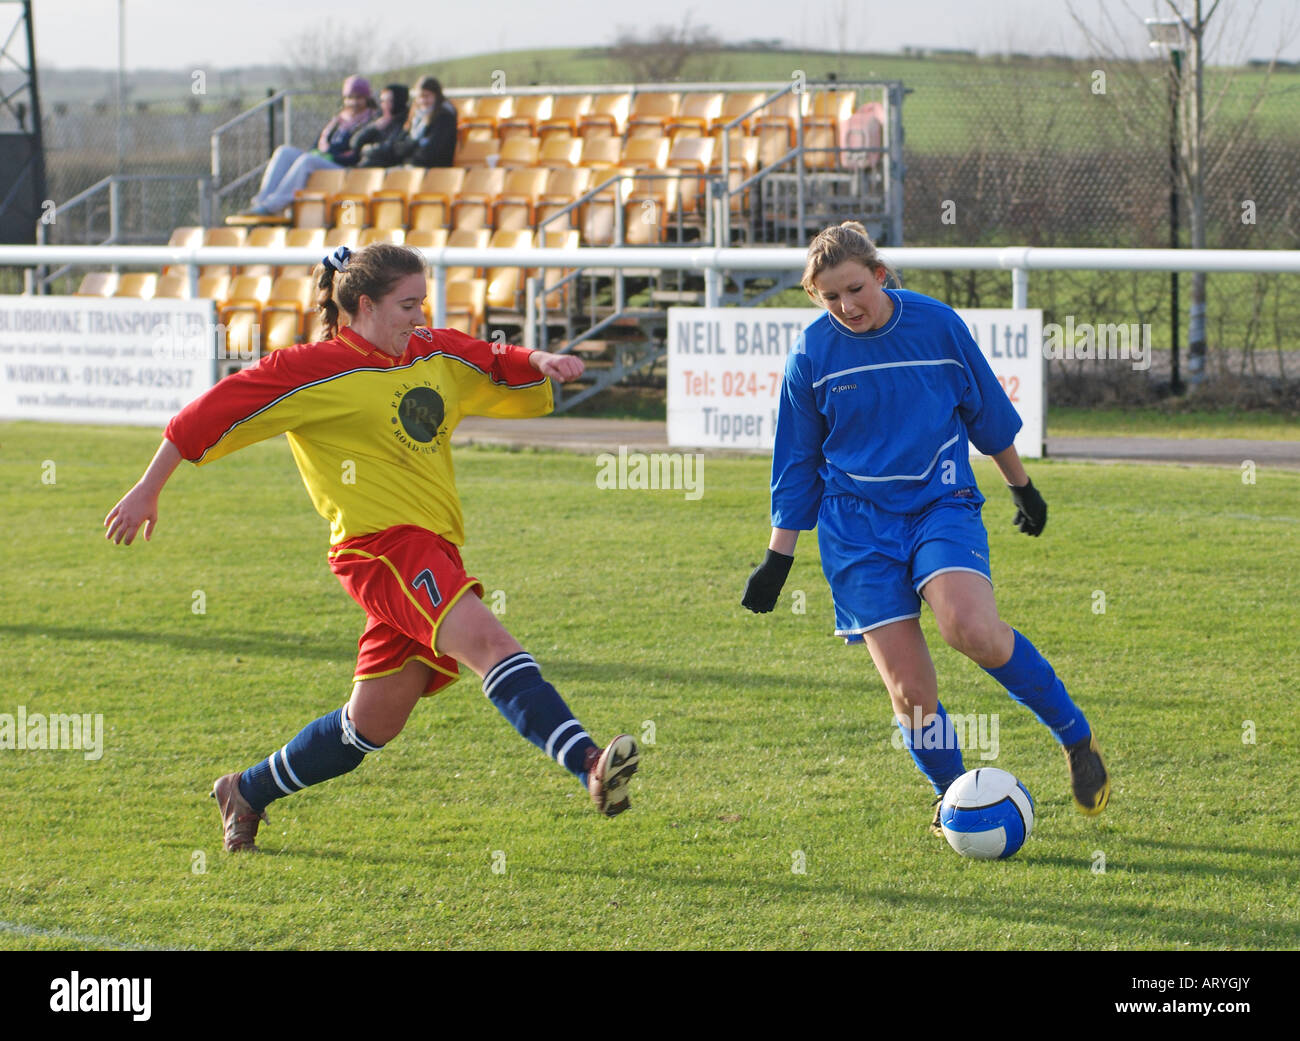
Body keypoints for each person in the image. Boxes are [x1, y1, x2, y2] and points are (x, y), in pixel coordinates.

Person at [104, 242, 639, 851]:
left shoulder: (428, 350)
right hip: (379, 551)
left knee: (370, 727)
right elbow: (206, 413)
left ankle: (245, 791)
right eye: (407, 304)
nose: (420, 316)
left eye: (423, 302)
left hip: (433, 550)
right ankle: (589, 762)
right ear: (363, 304)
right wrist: (149, 488)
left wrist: (539, 359)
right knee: (490, 643)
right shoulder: (309, 368)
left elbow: (488, 357)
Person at [741, 221, 1109, 834]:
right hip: (854, 529)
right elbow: (797, 462)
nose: (846, 306)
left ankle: (1076, 739)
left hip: (940, 504)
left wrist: (1022, 486)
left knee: (972, 629)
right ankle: (954, 799)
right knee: (912, 696)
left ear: (880, 275)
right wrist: (779, 557)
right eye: (830, 297)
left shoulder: (937, 326)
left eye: (855, 288)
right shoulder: (810, 355)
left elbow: (984, 412)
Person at [240, 74, 379, 217]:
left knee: (307, 161)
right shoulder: (338, 121)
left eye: (358, 98)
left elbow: (358, 154)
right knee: (284, 152)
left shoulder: (370, 121)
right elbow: (316, 146)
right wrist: (319, 153)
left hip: (344, 166)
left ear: (367, 98)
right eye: (350, 97)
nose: (353, 102)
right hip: (325, 160)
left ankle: (274, 206)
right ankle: (261, 201)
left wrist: (330, 157)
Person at [392, 75, 458, 168]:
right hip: (413, 165)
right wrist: (413, 144)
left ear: (437, 96)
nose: (423, 101)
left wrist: (409, 153)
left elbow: (432, 152)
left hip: (435, 169)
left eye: (426, 96)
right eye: (420, 97)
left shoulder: (444, 117)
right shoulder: (415, 116)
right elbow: (398, 148)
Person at [350, 83, 410, 168]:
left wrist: (366, 149)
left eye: (388, 101)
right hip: (364, 167)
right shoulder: (378, 118)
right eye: (382, 101)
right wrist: (374, 128)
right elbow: (355, 143)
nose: (383, 105)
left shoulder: (405, 121)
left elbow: (391, 150)